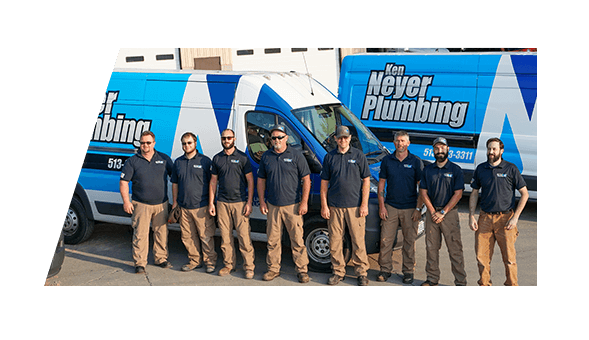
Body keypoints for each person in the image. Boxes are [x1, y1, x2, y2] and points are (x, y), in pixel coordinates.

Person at [469, 137, 529, 286]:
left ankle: (511, 286)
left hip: (506, 219)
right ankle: (484, 284)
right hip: (485, 219)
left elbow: (525, 194)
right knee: (482, 258)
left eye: (494, 149)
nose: (491, 152)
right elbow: (474, 192)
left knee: (509, 259)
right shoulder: (481, 169)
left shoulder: (510, 169)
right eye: (489, 148)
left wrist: (515, 218)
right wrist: (471, 216)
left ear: (501, 151)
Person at [257, 124, 311, 283]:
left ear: (286, 138)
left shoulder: (296, 155)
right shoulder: (266, 157)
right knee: (273, 241)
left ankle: (302, 271)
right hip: (273, 206)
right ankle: (273, 269)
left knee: (297, 240)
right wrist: (262, 201)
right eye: (273, 137)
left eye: (280, 137)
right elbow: (261, 180)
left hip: (293, 206)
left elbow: (306, 179)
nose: (276, 140)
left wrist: (304, 202)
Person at [320, 125, 371, 286]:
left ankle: (361, 273)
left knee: (358, 241)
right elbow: (324, 184)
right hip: (335, 206)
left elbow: (366, 181)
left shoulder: (358, 155)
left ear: (350, 139)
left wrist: (364, 204)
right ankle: (338, 271)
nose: (343, 140)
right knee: (335, 242)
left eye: (346, 137)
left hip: (355, 207)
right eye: (340, 137)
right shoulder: (330, 157)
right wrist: (324, 206)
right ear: (335, 139)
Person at [119, 131, 174, 274]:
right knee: (140, 234)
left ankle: (161, 258)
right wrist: (126, 201)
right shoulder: (133, 161)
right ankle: (140, 263)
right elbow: (124, 182)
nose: (145, 145)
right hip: (141, 204)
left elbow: (175, 179)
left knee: (161, 233)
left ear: (154, 143)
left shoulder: (164, 158)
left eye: (148, 142)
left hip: (161, 204)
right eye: (142, 143)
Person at [419, 137, 467, 286]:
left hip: (449, 214)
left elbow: (458, 194)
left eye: (442, 148)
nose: (439, 151)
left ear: (448, 149)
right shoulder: (428, 170)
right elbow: (423, 192)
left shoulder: (455, 170)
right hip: (432, 213)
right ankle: (432, 279)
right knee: (431, 248)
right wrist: (433, 211)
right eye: (436, 148)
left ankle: (460, 282)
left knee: (455, 249)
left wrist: (443, 212)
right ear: (433, 151)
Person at [377, 131, 423, 284]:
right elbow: (381, 184)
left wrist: (418, 209)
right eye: (397, 141)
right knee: (385, 240)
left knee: (409, 242)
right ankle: (385, 269)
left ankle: (408, 271)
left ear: (408, 143)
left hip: (410, 208)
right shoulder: (387, 160)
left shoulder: (416, 162)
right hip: (390, 206)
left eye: (403, 141)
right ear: (393, 142)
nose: (400, 144)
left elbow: (421, 189)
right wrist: (382, 206)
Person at [209, 129, 256, 279]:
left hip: (240, 202)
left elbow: (250, 181)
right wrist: (212, 203)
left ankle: (249, 267)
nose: (226, 140)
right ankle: (228, 264)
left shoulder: (242, 158)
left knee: (244, 237)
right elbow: (213, 182)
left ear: (234, 139)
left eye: (229, 137)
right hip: (222, 203)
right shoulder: (217, 158)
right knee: (225, 237)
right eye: (224, 138)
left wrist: (249, 202)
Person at [171, 132, 218, 274]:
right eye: (184, 143)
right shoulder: (178, 162)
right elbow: (174, 183)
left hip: (201, 206)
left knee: (206, 236)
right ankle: (194, 261)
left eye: (189, 143)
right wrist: (175, 203)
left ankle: (210, 262)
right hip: (184, 207)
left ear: (195, 143)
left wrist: (211, 203)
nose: (186, 146)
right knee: (187, 237)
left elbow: (212, 183)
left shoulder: (205, 161)